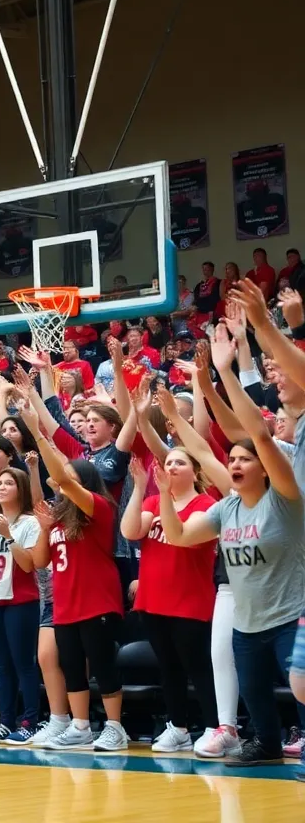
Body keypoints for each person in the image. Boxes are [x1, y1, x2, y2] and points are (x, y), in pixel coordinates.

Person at [159, 322, 305, 765]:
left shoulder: (284, 498)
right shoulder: (228, 507)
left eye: (243, 460)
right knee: (255, 687)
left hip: (289, 611)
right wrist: (165, 490)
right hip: (248, 618)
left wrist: (218, 372)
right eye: (233, 459)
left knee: (300, 683)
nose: (235, 462)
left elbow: (256, 436)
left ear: (264, 467)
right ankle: (265, 743)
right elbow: (182, 535)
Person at [25, 397, 128, 752]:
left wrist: (39, 434)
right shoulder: (57, 518)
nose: (60, 482)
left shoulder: (98, 507)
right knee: (72, 667)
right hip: (66, 604)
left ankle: (116, 728)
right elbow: (40, 561)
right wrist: (43, 527)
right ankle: (81, 726)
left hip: (96, 600)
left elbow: (62, 480)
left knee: (102, 665)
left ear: (82, 480)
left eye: (69, 476)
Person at [120, 450, 223, 756]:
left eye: (180, 462)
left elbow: (181, 536)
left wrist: (163, 494)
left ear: (195, 471)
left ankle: (213, 728)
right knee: (168, 669)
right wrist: (140, 487)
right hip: (154, 601)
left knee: (199, 667)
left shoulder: (207, 506)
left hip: (189, 600)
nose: (172, 467)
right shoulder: (151, 502)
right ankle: (178, 728)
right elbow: (129, 531)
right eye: (168, 463)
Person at [0, 468, 42, 744]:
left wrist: (7, 534)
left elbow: (28, 564)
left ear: (20, 489)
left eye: (8, 483)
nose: (1, 487)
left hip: (20, 600)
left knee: (23, 663)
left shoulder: (30, 523)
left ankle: (30, 722)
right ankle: (5, 721)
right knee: (1, 665)